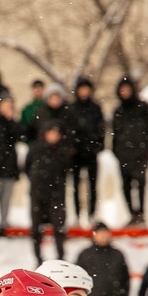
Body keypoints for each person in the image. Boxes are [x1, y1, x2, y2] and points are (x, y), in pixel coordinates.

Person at [110, 77, 148, 227]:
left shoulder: (143, 107)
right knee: (125, 185)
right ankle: (132, 214)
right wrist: (116, 151)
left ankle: (141, 213)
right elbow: (115, 134)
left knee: (141, 183)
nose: (125, 92)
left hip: (141, 153)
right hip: (123, 154)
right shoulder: (118, 110)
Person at [24, 123, 71, 263]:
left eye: (56, 133)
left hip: (56, 196)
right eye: (51, 133)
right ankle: (38, 258)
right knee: (36, 229)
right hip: (37, 195)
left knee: (59, 228)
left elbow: (66, 171)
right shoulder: (35, 149)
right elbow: (26, 168)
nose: (53, 136)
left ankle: (61, 258)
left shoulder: (63, 151)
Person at [65, 77, 105, 227]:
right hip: (75, 154)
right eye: (81, 88)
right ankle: (76, 215)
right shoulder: (72, 108)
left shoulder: (95, 108)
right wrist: (71, 146)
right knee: (75, 186)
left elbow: (101, 128)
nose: (84, 91)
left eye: (86, 88)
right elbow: (68, 129)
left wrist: (97, 146)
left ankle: (92, 214)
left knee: (93, 185)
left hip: (91, 153)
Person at [0, 95, 24, 238]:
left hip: (9, 167)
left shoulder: (13, 124)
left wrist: (11, 120)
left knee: (6, 199)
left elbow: (19, 135)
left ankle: (3, 224)